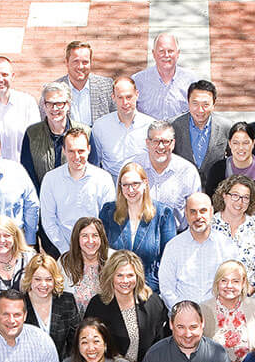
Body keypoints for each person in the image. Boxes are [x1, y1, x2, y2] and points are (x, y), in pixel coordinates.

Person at [100, 162, 177, 292]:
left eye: (135, 184)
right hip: (117, 289)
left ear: (145, 183)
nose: (130, 190)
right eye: (125, 185)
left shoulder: (163, 214)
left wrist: (150, 286)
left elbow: (169, 258)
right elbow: (102, 251)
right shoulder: (108, 212)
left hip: (150, 290)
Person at [40, 128, 116, 255]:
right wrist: (66, 251)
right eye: (71, 151)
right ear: (64, 151)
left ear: (89, 150)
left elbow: (108, 221)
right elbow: (48, 221)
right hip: (62, 251)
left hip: (96, 250)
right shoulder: (51, 179)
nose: (76, 157)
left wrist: (94, 248)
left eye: (81, 151)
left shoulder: (103, 178)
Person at [158, 193, 241, 309]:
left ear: (211, 212)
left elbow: (234, 285)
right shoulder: (173, 247)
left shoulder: (226, 246)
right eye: (193, 212)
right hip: (183, 317)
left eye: (203, 211)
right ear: (186, 214)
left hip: (219, 315)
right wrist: (183, 312)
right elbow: (166, 289)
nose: (198, 216)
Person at [22, 83, 98, 190]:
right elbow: (28, 173)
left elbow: (93, 170)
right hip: (43, 201)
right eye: (50, 103)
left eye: (59, 103)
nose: (54, 108)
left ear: (68, 105)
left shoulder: (85, 133)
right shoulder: (32, 134)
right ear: (44, 106)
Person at [211, 175, 255, 302]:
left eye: (245, 198)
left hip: (249, 299)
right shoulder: (210, 224)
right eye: (235, 195)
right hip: (214, 299)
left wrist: (243, 295)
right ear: (224, 195)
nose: (239, 202)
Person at [137, 120, 203, 230]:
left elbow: (196, 210)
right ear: (147, 143)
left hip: (176, 237)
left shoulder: (188, 172)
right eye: (156, 141)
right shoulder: (134, 168)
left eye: (166, 141)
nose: (161, 146)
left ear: (173, 144)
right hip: (139, 237)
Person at [204, 121, 255, 211]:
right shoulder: (217, 169)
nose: (240, 147)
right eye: (236, 143)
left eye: (245, 143)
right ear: (229, 144)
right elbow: (210, 203)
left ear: (253, 143)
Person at [92, 76, 154, 176]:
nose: (125, 103)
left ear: (137, 95)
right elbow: (95, 163)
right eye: (120, 97)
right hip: (112, 184)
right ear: (113, 98)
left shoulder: (151, 126)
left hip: (143, 183)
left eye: (129, 97)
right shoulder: (100, 126)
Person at [172, 80, 230, 184]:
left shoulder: (226, 127)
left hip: (216, 189)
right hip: (182, 187)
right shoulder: (173, 126)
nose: (200, 110)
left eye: (205, 104)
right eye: (195, 104)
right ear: (188, 102)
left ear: (214, 104)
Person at [132, 33, 197, 120]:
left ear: (178, 53)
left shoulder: (191, 80)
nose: (166, 55)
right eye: (161, 51)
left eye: (170, 51)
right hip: (147, 133)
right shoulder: (137, 81)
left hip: (180, 133)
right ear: (154, 54)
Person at [54, 40, 114, 126]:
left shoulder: (106, 86)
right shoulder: (54, 89)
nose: (80, 67)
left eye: (85, 62)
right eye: (76, 61)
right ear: (66, 62)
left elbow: (117, 117)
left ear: (91, 62)